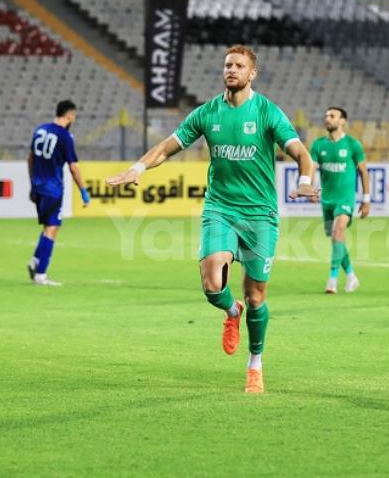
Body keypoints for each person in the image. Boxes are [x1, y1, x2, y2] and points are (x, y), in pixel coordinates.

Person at [105, 45, 317, 393]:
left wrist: (305, 182)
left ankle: (255, 364)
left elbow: (301, 154)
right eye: (227, 65)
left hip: (260, 214)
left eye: (239, 65)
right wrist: (139, 166)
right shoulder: (207, 113)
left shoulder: (267, 112)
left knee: (256, 296)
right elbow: (169, 146)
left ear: (252, 74)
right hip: (220, 208)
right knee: (211, 283)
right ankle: (230, 312)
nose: (231, 69)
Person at [307, 107, 370, 294]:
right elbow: (311, 169)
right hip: (327, 200)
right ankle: (351, 275)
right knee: (337, 239)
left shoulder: (352, 144)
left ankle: (332, 280)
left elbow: (364, 172)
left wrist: (365, 200)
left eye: (332, 116)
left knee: (338, 231)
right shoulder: (318, 145)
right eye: (326, 116)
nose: (328, 119)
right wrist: (309, 188)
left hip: (345, 199)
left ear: (342, 121)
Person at [27, 99, 90, 286]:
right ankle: (41, 274)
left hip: (38, 186)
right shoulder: (65, 136)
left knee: (48, 225)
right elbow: (74, 168)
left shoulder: (40, 130)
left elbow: (30, 158)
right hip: (52, 189)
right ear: (70, 116)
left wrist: (32, 183)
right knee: (52, 228)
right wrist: (83, 191)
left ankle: (35, 261)